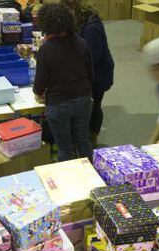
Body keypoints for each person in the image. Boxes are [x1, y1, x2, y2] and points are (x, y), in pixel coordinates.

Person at [33, 4, 93, 161]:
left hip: (58, 103)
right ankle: (93, 176)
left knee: (65, 148)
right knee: (83, 141)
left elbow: (39, 86)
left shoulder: (46, 49)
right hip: (83, 99)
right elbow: (91, 75)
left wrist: (39, 93)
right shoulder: (82, 43)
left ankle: (69, 181)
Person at [62, 0, 114, 146]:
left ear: (74, 8)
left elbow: (91, 57)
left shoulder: (92, 27)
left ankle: (92, 139)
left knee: (94, 105)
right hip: (89, 72)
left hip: (98, 75)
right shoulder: (81, 23)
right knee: (88, 106)